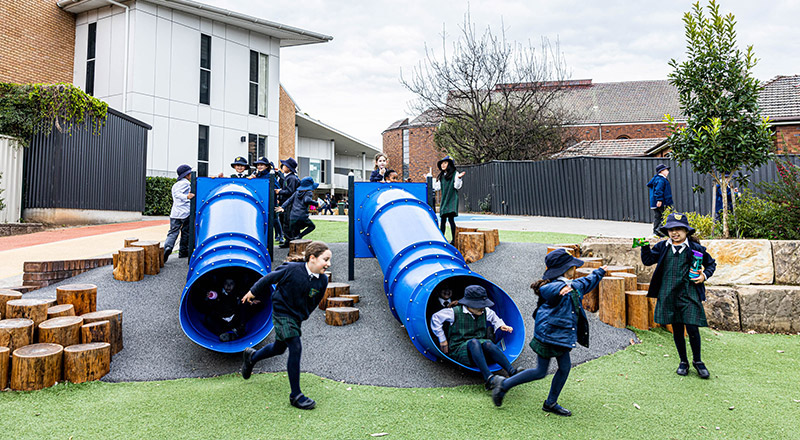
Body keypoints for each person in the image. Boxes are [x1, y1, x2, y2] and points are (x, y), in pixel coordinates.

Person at [490, 249, 606, 414]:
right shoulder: (554, 286)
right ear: (565, 269)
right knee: (540, 371)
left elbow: (587, 282)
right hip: (548, 336)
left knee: (561, 369)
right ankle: (504, 385)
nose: (575, 269)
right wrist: (561, 290)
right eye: (572, 266)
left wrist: (600, 272)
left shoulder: (572, 285)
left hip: (560, 336)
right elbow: (550, 290)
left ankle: (549, 403)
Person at [240, 241, 332, 410]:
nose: (328, 263)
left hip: (295, 317)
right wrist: (252, 292)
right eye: (325, 259)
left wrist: (302, 316)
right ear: (312, 258)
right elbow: (268, 278)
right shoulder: (291, 269)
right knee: (295, 347)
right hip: (282, 313)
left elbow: (313, 302)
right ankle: (296, 395)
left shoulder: (322, 280)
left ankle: (252, 357)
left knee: (279, 348)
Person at [641, 212, 716, 379]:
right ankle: (683, 361)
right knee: (677, 330)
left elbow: (711, 264)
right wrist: (644, 246)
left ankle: (698, 361)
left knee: (692, 328)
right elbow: (647, 261)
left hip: (689, 294)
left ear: (686, 231)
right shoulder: (662, 247)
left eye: (679, 229)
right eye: (671, 229)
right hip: (668, 293)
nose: (675, 233)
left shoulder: (696, 249)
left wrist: (703, 276)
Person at [430, 285, 517, 390]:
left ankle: (512, 371)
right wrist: (443, 340)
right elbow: (435, 318)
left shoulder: (484, 311)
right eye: (480, 306)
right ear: (469, 304)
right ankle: (488, 378)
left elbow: (494, 317)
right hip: (459, 348)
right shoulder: (454, 312)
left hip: (478, 347)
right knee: (474, 342)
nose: (483, 308)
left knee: (488, 343)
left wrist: (501, 325)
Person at [163, 164, 195, 261]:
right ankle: (183, 252)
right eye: (190, 174)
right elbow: (178, 195)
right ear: (187, 175)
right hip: (186, 213)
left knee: (172, 232)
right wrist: (187, 196)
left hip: (175, 213)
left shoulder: (175, 184)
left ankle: (167, 247)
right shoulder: (186, 183)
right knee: (186, 233)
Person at [277, 177, 320, 247]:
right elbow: (307, 200)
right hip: (302, 216)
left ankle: (291, 253)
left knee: (294, 238)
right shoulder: (308, 192)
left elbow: (289, 200)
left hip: (293, 217)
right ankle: (300, 236)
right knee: (312, 226)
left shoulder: (296, 193)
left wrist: (282, 207)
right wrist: (316, 203)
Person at [433, 156, 465, 244]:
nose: (443, 165)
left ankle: (454, 240)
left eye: (445, 163)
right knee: (443, 220)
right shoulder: (441, 176)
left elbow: (457, 186)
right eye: (442, 163)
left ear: (450, 164)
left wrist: (459, 178)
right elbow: (437, 187)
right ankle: (441, 239)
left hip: (452, 199)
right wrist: (428, 179)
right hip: (444, 199)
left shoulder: (455, 174)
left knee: (451, 220)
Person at [276, 158, 300, 245]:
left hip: (289, 204)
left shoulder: (292, 178)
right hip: (285, 202)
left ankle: (290, 240)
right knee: (283, 221)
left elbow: (291, 191)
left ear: (289, 168)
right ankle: (288, 239)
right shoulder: (287, 177)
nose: (283, 167)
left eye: (285, 166)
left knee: (287, 222)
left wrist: (280, 191)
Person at [647, 164, 673, 237]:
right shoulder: (661, 180)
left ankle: (655, 232)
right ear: (661, 171)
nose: (668, 171)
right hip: (663, 202)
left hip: (655, 202)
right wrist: (659, 200)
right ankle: (659, 230)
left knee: (658, 217)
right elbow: (659, 190)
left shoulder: (656, 179)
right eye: (666, 170)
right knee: (666, 216)